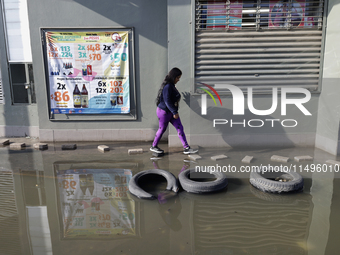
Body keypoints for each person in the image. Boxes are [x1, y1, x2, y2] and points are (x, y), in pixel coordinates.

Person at [150, 67, 198, 154]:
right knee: (162, 129)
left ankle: (186, 148)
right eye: (177, 77)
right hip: (164, 112)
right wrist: (174, 112)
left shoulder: (171, 86)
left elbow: (172, 98)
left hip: (171, 112)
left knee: (180, 127)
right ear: (173, 77)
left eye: (179, 78)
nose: (178, 80)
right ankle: (154, 146)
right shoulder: (168, 86)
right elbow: (167, 100)